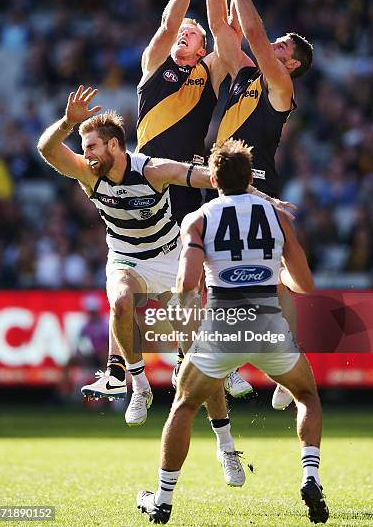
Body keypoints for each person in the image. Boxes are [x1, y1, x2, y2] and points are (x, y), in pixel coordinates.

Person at [37, 85, 247, 485]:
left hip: (170, 261)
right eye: (85, 146)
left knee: (201, 365)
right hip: (125, 259)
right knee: (120, 301)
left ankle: (226, 445)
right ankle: (138, 385)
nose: (88, 153)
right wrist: (69, 123)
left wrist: (249, 191)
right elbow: (47, 150)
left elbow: (210, 177)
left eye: (94, 145)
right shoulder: (87, 172)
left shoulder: (151, 169)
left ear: (115, 145)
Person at [82, 0, 254, 406]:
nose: (184, 35)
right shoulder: (153, 66)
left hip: (190, 180)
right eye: (183, 33)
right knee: (130, 279)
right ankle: (128, 376)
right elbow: (166, 23)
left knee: (197, 276)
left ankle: (206, 360)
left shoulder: (211, 71)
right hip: (147, 177)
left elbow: (229, 31)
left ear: (202, 49)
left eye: (191, 35)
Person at [137, 139, 329, 525]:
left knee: (184, 406)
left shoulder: (200, 218)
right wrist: (273, 272)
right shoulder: (277, 217)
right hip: (270, 325)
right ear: (250, 177)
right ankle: (311, 477)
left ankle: (163, 500)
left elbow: (187, 284)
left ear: (214, 177)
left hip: (223, 326)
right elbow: (305, 284)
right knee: (306, 394)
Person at [206, 0, 313, 410]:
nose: (276, 45)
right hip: (221, 180)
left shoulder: (280, 82)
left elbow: (249, 27)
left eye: (283, 46)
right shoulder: (246, 71)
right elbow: (222, 26)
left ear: (291, 64)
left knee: (268, 279)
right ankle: (230, 367)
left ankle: (288, 366)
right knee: (226, 277)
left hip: (257, 183)